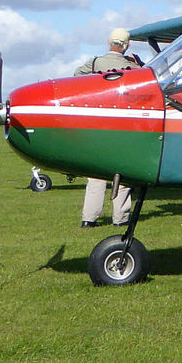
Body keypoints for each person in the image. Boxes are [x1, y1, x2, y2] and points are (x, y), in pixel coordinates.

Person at [75, 29, 143, 228]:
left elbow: (76, 76)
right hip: (124, 127)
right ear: (127, 46)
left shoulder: (94, 63)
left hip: (98, 126)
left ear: (108, 43)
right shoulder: (133, 66)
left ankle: (89, 218)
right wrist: (138, 63)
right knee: (122, 174)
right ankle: (120, 219)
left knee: (96, 176)